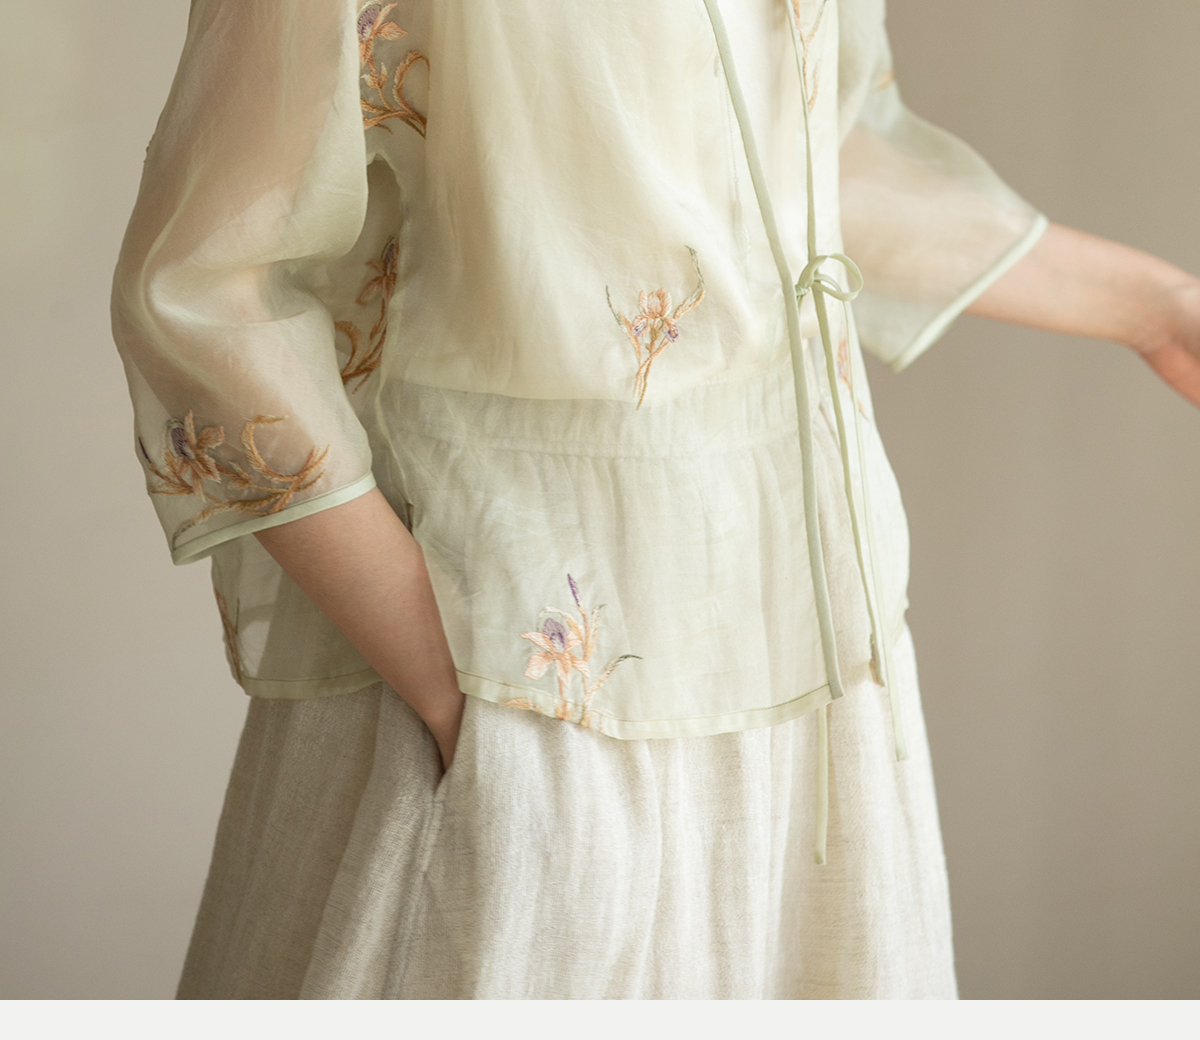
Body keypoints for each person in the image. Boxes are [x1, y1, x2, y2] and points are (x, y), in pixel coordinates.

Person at [110, 0, 1200, 999]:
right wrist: (451, 681)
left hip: (815, 663)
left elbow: (806, 164)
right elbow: (201, 291)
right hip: (532, 668)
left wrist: (1158, 306)